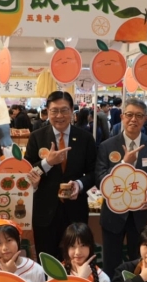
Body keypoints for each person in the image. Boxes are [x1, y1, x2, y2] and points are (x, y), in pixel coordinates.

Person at [25, 91, 98, 259]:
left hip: (75, 210)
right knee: (47, 259)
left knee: (76, 259)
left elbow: (94, 172)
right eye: (54, 111)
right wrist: (47, 163)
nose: (59, 116)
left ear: (72, 111)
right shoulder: (37, 137)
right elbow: (27, 171)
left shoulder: (85, 138)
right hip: (45, 211)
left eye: (64, 110)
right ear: (47, 111)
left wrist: (79, 184)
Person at [96, 98, 147, 274]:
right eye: (129, 114)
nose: (134, 119)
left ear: (145, 119)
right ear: (122, 117)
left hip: (142, 215)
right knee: (111, 264)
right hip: (113, 215)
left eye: (139, 116)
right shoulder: (106, 146)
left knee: (140, 264)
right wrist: (124, 163)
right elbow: (100, 179)